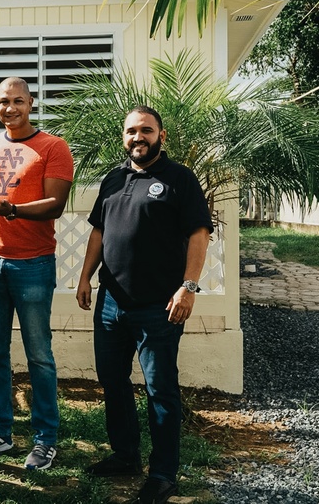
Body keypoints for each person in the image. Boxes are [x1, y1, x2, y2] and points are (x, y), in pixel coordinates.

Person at [76, 105, 213, 504]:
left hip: (159, 306)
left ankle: (164, 474)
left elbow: (199, 235)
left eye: (147, 131)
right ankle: (125, 456)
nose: (139, 137)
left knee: (160, 390)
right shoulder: (114, 179)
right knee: (112, 381)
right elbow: (99, 232)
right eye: (132, 131)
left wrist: (188, 287)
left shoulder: (179, 179)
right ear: (125, 137)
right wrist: (85, 276)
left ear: (161, 136)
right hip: (110, 304)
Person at [0, 77, 74, 471]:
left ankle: (45, 440)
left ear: (31, 103)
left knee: (39, 356)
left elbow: (55, 204)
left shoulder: (53, 147)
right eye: (3, 102)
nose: (11, 108)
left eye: (18, 101)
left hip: (33, 264)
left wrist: (12, 211)